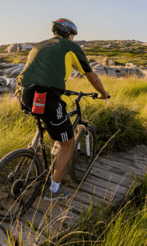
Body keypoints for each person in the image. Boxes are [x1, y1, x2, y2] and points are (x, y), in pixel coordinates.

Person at [16, 18, 110, 202]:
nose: (73, 38)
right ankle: (53, 191)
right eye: (73, 35)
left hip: (23, 93)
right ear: (68, 34)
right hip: (46, 94)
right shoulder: (70, 47)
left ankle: (34, 154)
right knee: (68, 143)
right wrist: (103, 94)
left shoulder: (39, 45)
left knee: (44, 121)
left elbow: (42, 71)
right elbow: (91, 75)